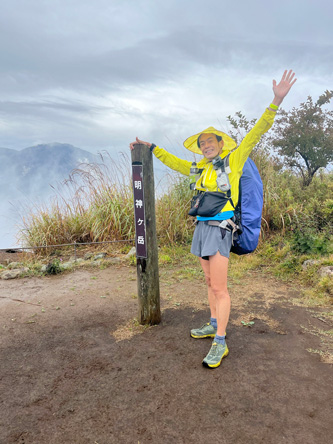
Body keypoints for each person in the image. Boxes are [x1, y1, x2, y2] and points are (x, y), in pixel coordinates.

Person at [130, 70, 296, 369]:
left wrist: (276, 101)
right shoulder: (200, 169)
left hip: (221, 229)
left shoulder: (234, 161)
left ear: (221, 144)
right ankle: (212, 323)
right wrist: (152, 148)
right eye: (203, 143)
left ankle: (220, 341)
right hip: (202, 228)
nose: (206, 145)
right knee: (208, 281)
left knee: (220, 288)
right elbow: (176, 162)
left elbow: (256, 132)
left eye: (211, 142)